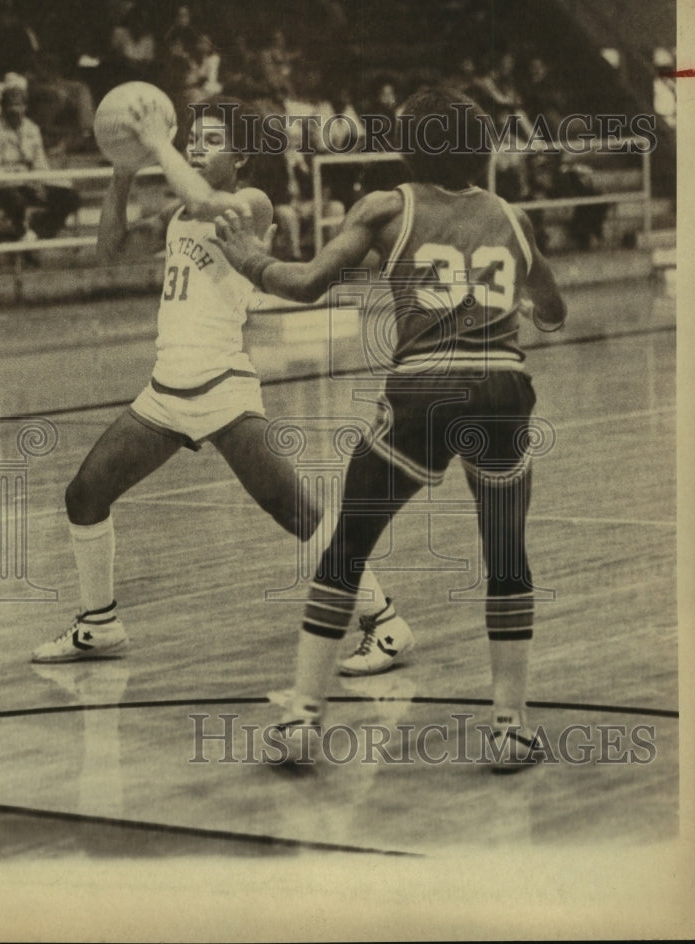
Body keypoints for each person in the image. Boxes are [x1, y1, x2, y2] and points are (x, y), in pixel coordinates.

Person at [213, 87, 567, 769]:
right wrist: (525, 303)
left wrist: (248, 259)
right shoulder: (513, 218)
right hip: (501, 387)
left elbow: (305, 283)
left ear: (409, 146)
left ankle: (303, 719)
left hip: (424, 386)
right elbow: (552, 310)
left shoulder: (386, 206)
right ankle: (509, 726)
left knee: (346, 546)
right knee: (505, 557)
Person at [31, 96, 393, 664]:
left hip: (221, 386)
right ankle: (99, 623)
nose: (195, 146)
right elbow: (110, 249)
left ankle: (384, 619)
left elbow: (203, 198)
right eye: (190, 137)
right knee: (85, 494)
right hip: (166, 390)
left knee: (294, 510)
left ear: (242, 156)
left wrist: (155, 143)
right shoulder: (180, 215)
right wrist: (123, 172)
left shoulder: (250, 203)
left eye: (209, 139)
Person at [0, 86, 80, 246]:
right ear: (2, 107)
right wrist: (23, 178)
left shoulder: (31, 128)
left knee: (70, 197)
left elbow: (40, 165)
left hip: (27, 183)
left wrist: (41, 182)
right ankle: (22, 234)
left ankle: (35, 233)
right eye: (11, 105)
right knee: (15, 199)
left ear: (25, 107)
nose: (15, 110)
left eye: (19, 105)